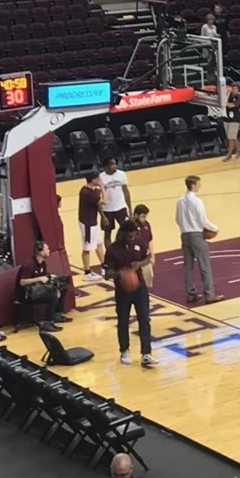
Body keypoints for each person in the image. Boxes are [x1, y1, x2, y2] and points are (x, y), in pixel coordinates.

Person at [104, 215, 156, 369]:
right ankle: (124, 351)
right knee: (123, 321)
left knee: (144, 319)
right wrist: (121, 273)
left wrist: (139, 263)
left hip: (140, 287)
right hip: (122, 290)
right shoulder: (112, 249)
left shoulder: (139, 241)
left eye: (134, 235)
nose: (132, 238)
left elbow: (148, 257)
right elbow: (107, 274)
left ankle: (146, 353)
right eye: (129, 236)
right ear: (122, 234)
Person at [175, 174, 217, 305]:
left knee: (188, 266)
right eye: (198, 184)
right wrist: (215, 228)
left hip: (184, 235)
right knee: (204, 265)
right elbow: (202, 220)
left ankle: (190, 294)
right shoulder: (198, 202)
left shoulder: (179, 201)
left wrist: (185, 228)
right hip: (196, 235)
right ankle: (209, 295)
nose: (200, 186)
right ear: (193, 185)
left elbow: (177, 219)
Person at [97, 158, 131, 241]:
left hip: (121, 208)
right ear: (106, 167)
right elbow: (97, 198)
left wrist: (130, 209)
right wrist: (102, 216)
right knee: (107, 234)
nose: (115, 166)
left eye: (115, 164)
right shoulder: (100, 178)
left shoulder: (121, 174)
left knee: (127, 230)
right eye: (112, 164)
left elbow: (126, 192)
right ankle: (110, 253)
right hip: (107, 210)